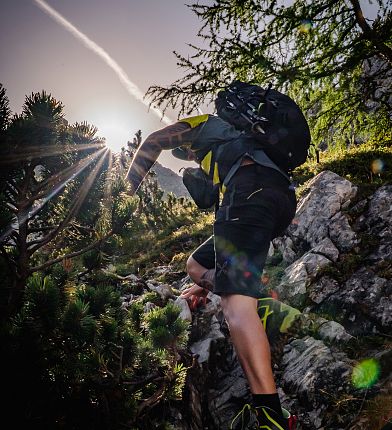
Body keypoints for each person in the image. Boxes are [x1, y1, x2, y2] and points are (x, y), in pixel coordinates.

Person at [126, 98, 302, 429]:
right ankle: (251, 300)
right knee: (195, 264)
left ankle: (271, 418)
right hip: (275, 200)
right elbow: (209, 201)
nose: (189, 156)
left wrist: (123, 194)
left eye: (186, 151)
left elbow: (152, 141)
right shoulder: (234, 145)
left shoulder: (204, 123)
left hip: (250, 196)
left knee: (235, 309)